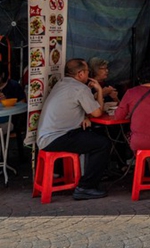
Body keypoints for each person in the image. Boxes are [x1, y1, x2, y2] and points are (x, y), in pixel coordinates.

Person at [36, 58, 110, 200]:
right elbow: (97, 112)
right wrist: (99, 90)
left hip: (47, 136)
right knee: (102, 144)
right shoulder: (79, 88)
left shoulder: (61, 83)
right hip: (57, 137)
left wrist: (83, 117)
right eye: (88, 71)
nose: (89, 74)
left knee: (93, 136)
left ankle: (87, 179)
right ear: (81, 74)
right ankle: (85, 187)